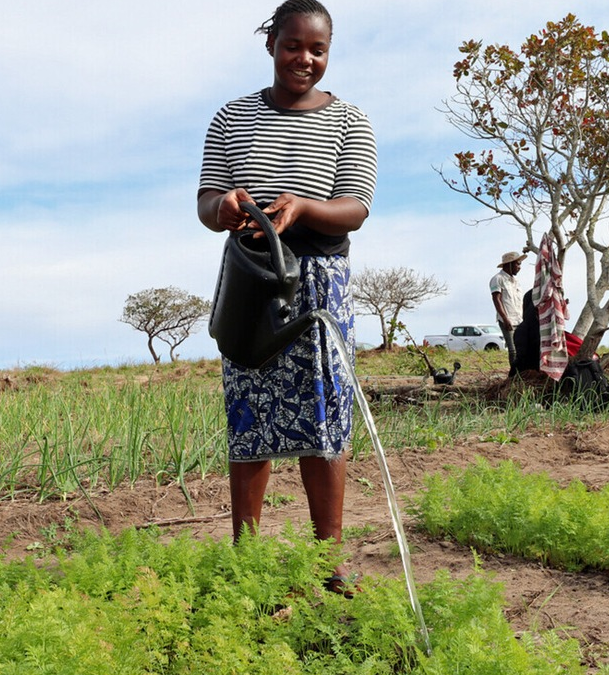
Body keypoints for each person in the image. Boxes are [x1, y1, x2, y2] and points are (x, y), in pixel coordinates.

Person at [196, 0, 377, 597]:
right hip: (252, 283)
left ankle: (331, 560)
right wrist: (221, 208)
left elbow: (355, 208)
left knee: (323, 421)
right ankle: (245, 558)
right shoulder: (232, 117)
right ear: (271, 44)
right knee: (250, 418)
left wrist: (302, 208)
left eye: (317, 50)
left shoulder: (351, 120)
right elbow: (206, 203)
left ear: (329, 53)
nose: (304, 59)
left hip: (320, 281)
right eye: (292, 45)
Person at [489, 251, 526, 369]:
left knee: (522, 348)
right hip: (507, 319)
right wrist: (505, 318)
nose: (519, 267)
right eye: (517, 264)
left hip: (519, 319)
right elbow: (496, 299)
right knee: (513, 350)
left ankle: (522, 372)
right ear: (509, 264)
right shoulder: (497, 279)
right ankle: (514, 375)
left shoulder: (516, 282)